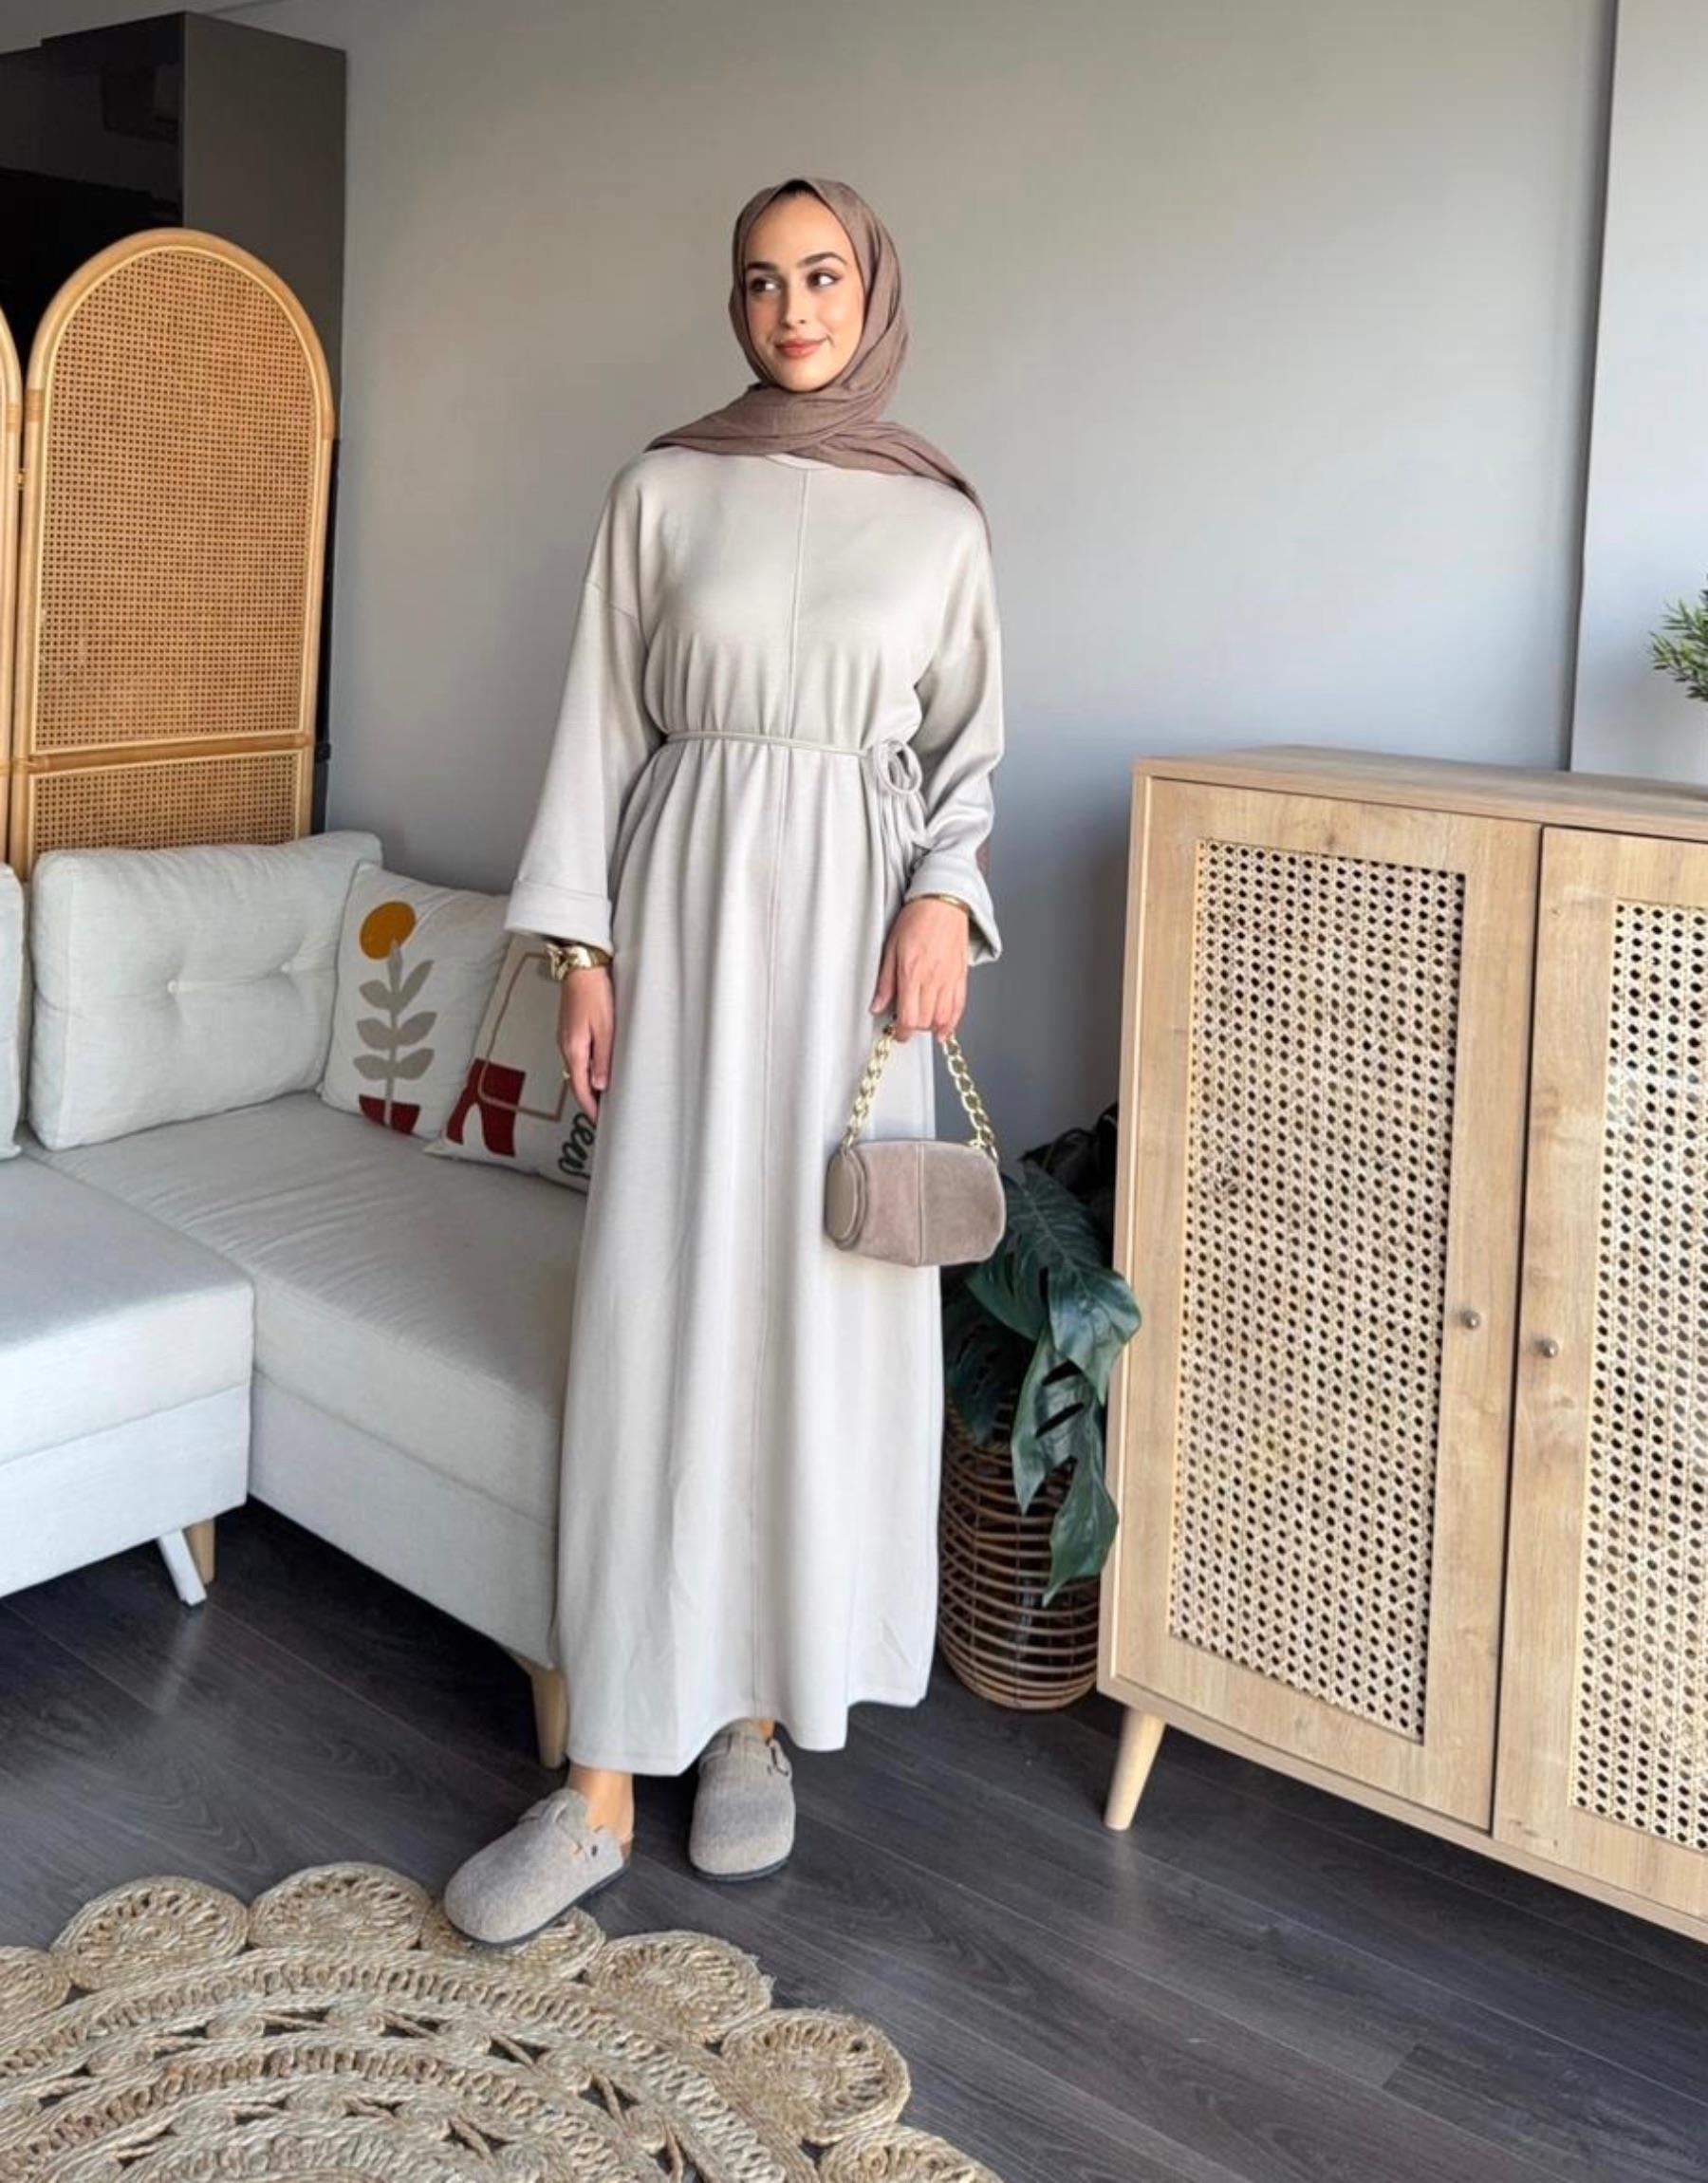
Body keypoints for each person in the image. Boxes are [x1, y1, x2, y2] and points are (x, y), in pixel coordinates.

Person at [444, 174, 1005, 1944]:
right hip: (680, 920)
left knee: (816, 1321)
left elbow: (970, 754)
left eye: (821, 274)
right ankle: (603, 1776)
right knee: (656, 1315)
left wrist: (947, 898)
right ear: (735, 303)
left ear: (872, 290)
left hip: (855, 953)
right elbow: (599, 728)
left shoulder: (940, 521)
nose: (792, 307)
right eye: (761, 280)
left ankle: (758, 1715)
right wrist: (583, 954)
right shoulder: (662, 489)